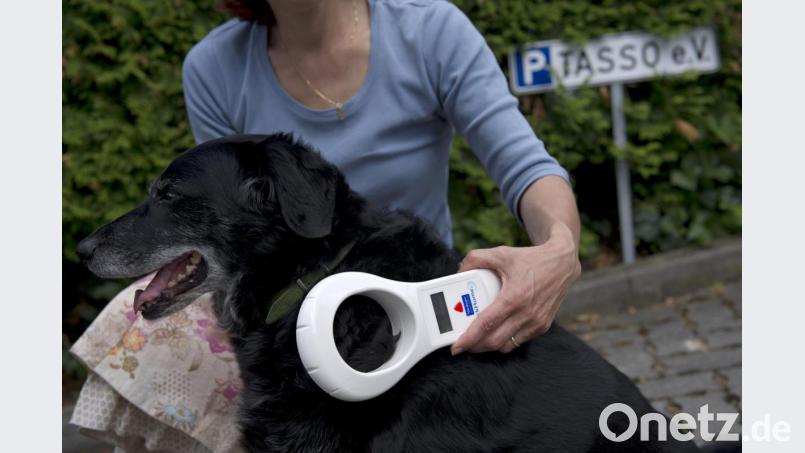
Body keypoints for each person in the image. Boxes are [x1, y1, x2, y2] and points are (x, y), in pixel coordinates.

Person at [70, 0, 581, 451]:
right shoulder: (214, 66)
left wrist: (557, 247)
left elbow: (525, 166)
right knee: (138, 327)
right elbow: (224, 228)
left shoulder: (429, 30)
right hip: (281, 298)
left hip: (404, 297)